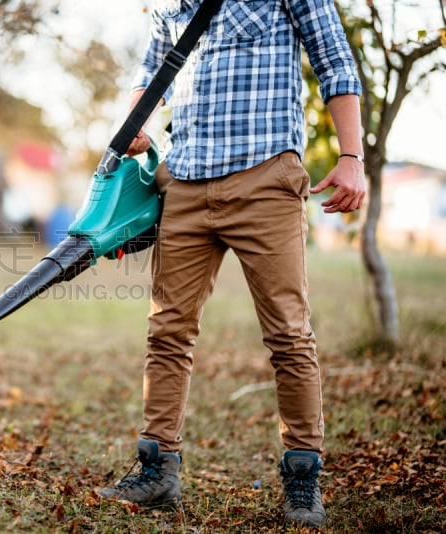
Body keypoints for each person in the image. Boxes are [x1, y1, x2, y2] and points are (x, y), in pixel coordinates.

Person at [97, 0, 366, 528]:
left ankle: (303, 474)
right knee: (167, 329)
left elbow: (335, 60)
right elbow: (151, 72)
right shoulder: (171, 3)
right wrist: (136, 123)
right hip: (185, 180)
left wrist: (352, 157)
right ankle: (157, 468)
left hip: (265, 176)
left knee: (288, 332)